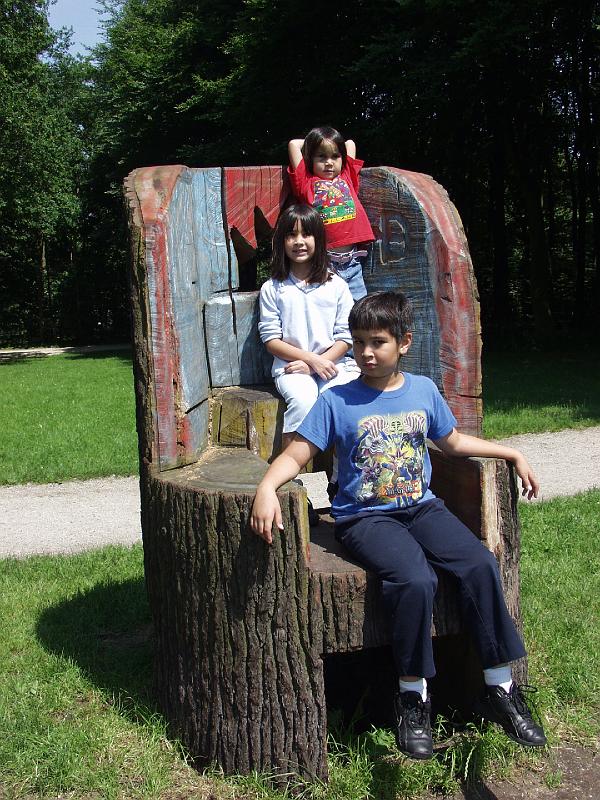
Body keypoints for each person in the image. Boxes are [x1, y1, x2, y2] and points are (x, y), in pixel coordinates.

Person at [251, 291, 547, 760]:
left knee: (478, 564)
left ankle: (500, 688)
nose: (367, 353)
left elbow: (450, 442)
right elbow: (298, 453)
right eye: (359, 342)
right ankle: (413, 695)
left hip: (421, 508)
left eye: (378, 343)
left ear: (404, 342)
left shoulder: (423, 391)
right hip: (364, 517)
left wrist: (510, 452)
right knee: (414, 579)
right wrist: (268, 486)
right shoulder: (336, 400)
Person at [258, 204, 358, 454]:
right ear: (282, 241)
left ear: (319, 239)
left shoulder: (336, 285)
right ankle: (290, 476)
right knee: (303, 401)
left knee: (343, 401)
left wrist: (320, 362)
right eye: (291, 235)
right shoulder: (273, 288)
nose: (299, 242)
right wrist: (311, 360)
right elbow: (271, 340)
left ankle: (341, 477)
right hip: (291, 368)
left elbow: (346, 337)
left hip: (334, 365)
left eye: (306, 234)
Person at [288, 126, 375, 301]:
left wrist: (329, 143)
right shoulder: (306, 183)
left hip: (354, 261)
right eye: (321, 156)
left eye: (335, 156)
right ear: (310, 159)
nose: (329, 162)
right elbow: (293, 144)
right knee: (329, 308)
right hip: (324, 263)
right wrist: (315, 141)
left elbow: (350, 143)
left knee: (359, 308)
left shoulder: (347, 176)